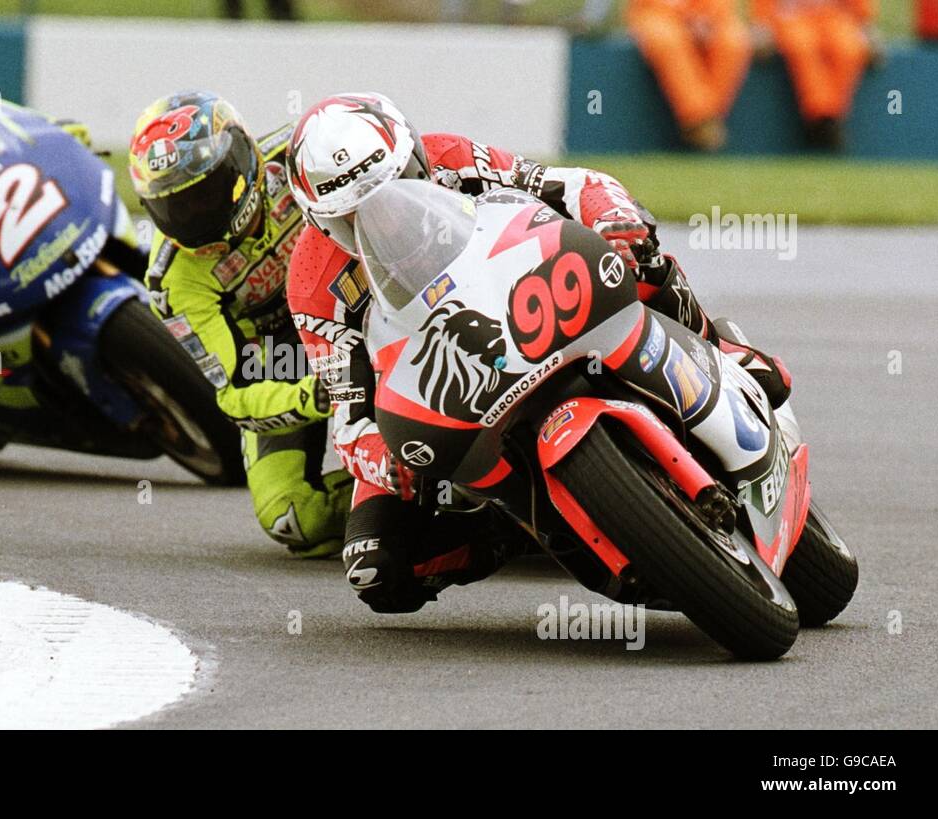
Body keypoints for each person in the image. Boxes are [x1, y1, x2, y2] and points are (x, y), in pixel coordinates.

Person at [284, 92, 792, 612]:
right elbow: (348, 416)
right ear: (322, 221)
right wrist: (382, 460)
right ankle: (504, 525)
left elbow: (575, 185)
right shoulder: (312, 282)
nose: (386, 222)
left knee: (639, 256)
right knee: (377, 571)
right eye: (354, 218)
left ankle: (715, 343)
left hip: (539, 297)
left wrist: (615, 221)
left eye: (399, 188)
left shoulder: (454, 157)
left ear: (416, 157)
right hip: (450, 391)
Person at [128, 92, 352, 557]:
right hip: (279, 359)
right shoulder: (172, 280)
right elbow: (234, 396)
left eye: (205, 194)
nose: (193, 218)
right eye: (175, 209)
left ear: (241, 159)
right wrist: (318, 395)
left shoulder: (303, 153)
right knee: (290, 517)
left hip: (359, 305)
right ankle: (412, 504)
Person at [750, 0, 878, 150]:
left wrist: (866, 24)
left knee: (848, 48)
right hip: (791, 15)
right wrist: (762, 23)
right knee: (801, 46)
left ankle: (828, 118)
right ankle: (823, 119)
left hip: (835, 16)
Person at [626, 0, 753, 152]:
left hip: (706, 17)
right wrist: (684, 18)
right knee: (666, 40)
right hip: (657, 15)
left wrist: (705, 18)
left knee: (734, 40)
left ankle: (704, 120)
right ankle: (700, 119)